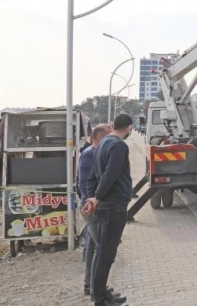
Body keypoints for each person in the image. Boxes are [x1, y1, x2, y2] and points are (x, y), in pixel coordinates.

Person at [83, 114, 134, 306]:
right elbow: (110, 174)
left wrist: (92, 198)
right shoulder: (119, 145)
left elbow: (94, 176)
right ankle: (101, 299)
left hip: (104, 204)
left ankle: (100, 292)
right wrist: (96, 198)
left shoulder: (101, 144)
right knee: (107, 253)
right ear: (129, 127)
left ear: (114, 125)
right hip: (114, 205)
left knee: (101, 251)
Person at [77, 124, 115, 299]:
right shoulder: (90, 154)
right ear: (99, 137)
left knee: (92, 247)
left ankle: (90, 285)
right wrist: (93, 202)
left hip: (93, 204)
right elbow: (85, 184)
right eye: (108, 136)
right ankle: (97, 290)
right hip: (90, 206)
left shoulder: (95, 153)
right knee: (101, 247)